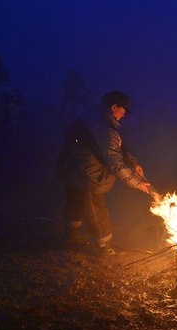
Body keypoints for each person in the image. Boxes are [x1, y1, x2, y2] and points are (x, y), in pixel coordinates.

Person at [55, 90, 152, 256]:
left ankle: (71, 236)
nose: (123, 116)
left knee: (74, 201)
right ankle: (102, 247)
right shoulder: (103, 127)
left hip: (71, 168)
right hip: (87, 174)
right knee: (95, 209)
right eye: (123, 112)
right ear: (114, 107)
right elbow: (115, 163)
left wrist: (133, 162)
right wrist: (138, 184)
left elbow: (117, 147)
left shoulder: (96, 117)